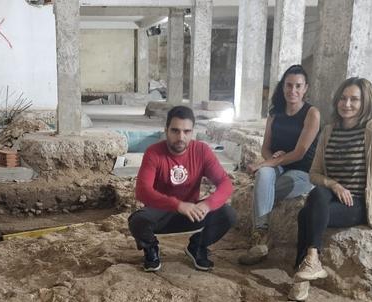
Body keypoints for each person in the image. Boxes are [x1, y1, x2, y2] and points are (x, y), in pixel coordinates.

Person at [289, 77, 372, 302]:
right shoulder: (329, 131)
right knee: (317, 194)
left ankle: (301, 276)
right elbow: (314, 173)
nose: (347, 104)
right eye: (343, 98)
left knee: (306, 214)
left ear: (366, 102)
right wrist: (333, 184)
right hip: (329, 198)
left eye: (354, 99)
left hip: (357, 204)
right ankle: (311, 260)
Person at [128, 105, 236, 272]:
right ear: (166, 130)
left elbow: (225, 183)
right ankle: (151, 248)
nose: (181, 137)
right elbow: (142, 191)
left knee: (228, 214)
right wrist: (178, 205)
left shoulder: (201, 151)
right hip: (161, 214)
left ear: (192, 132)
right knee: (137, 220)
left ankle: (197, 246)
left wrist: (207, 204)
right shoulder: (153, 152)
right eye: (175, 131)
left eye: (186, 131)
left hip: (192, 214)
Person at [239, 64, 320, 266]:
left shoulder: (312, 114)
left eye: (298, 86)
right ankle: (261, 236)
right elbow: (265, 149)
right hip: (280, 166)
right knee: (265, 174)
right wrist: (272, 159)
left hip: (302, 172)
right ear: (282, 87)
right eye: (289, 85)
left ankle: (259, 235)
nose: (293, 91)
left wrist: (274, 161)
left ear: (306, 88)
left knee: (264, 183)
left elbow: (300, 152)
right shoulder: (275, 114)